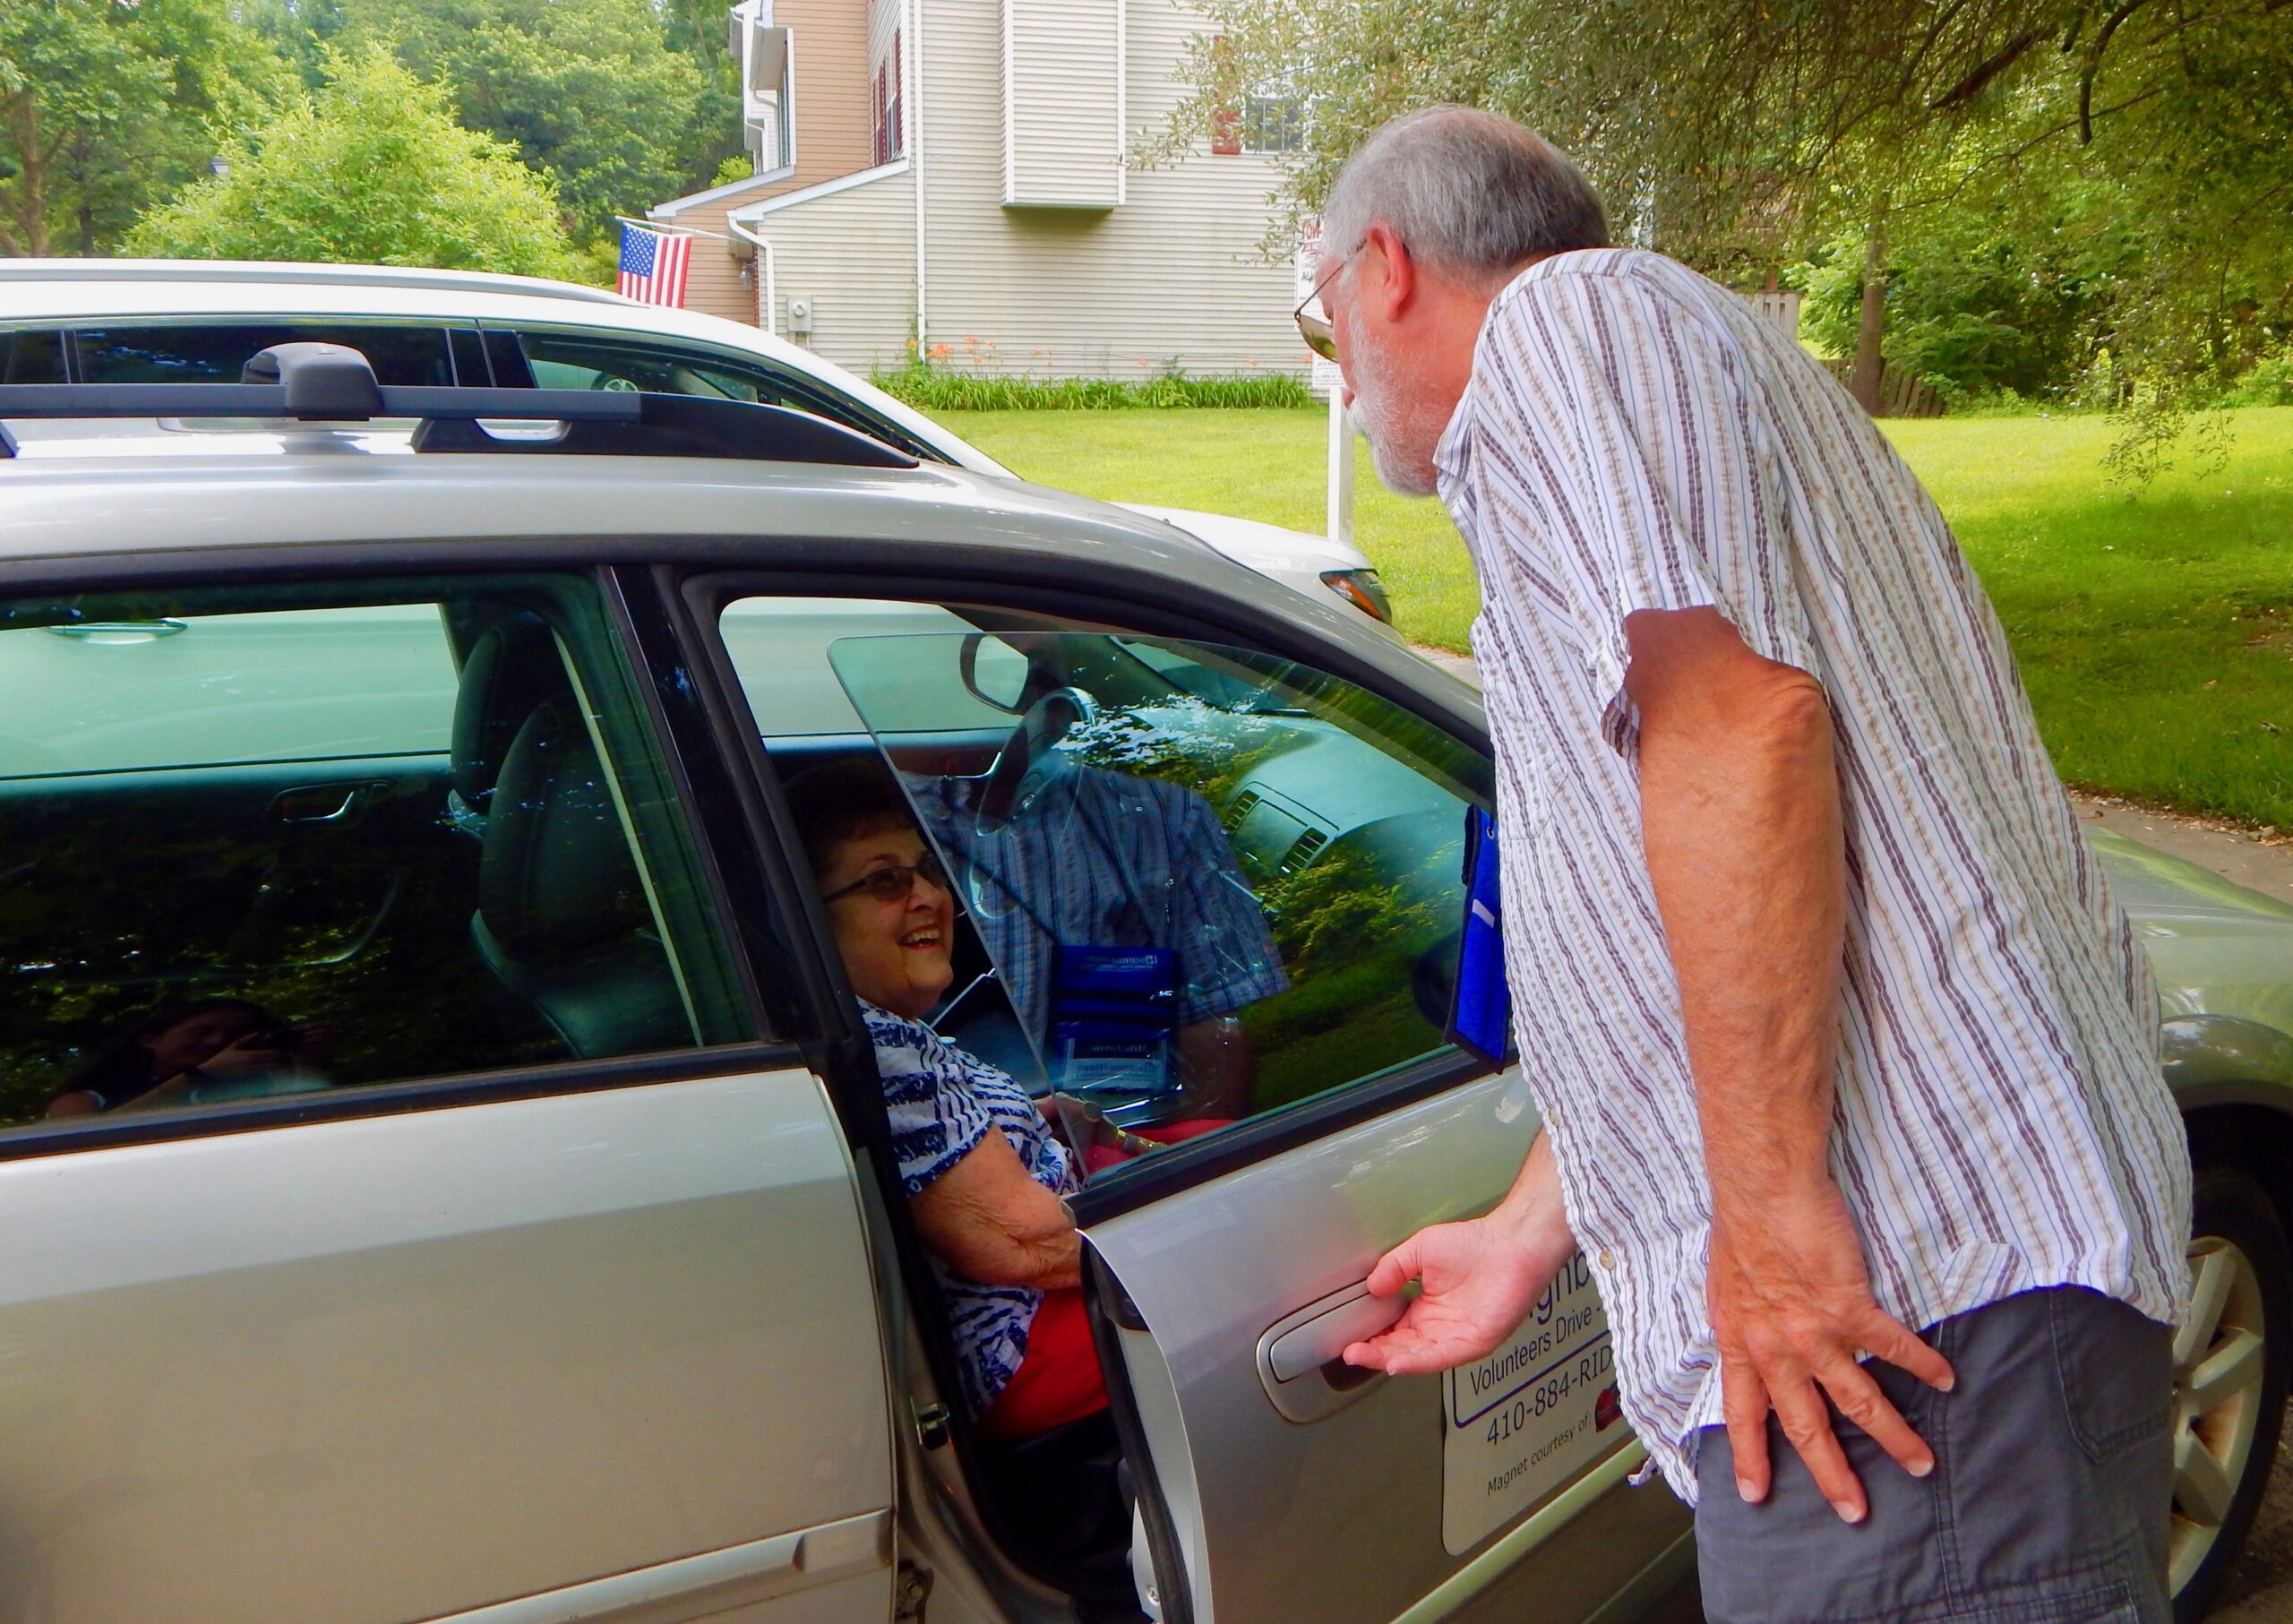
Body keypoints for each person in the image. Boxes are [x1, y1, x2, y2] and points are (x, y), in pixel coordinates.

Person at [1323, 108, 2190, 1621]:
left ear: (1384, 266)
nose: (1333, 363)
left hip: (1898, 1328)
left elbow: (1743, 736)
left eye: (1315, 309)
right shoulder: (1678, 371)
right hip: (1932, 1317)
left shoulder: (1565, 325)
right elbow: (1694, 885)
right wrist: (1540, 1223)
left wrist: (1775, 1232)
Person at [786, 758, 1112, 1442]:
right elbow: (1026, 1244)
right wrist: (1207, 1235)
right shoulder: (876, 1046)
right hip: (1021, 1336)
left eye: (926, 870)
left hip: (1036, 1290)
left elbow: (942, 1144)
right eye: (884, 881)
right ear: (812, 923)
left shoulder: (875, 1028)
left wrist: (1033, 1116)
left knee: (1203, 1136)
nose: (928, 896)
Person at [46, 997, 326, 1117]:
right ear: (150, 1039)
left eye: (235, 1035)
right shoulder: (90, 1097)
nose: (217, 1041)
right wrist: (199, 1076)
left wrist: (303, 1063)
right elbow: (76, 1142)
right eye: (201, 1031)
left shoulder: (270, 1086)